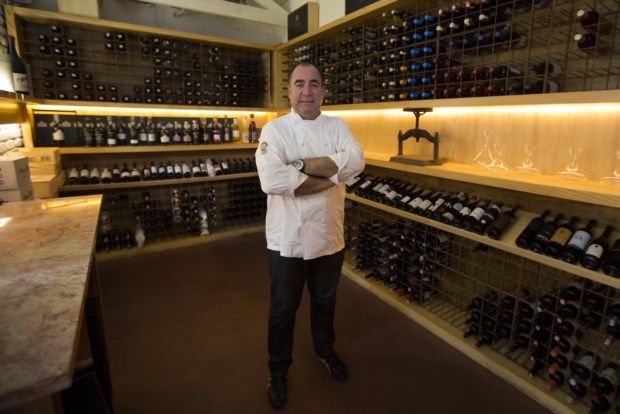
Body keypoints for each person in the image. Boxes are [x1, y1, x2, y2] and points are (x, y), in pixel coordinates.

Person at [255, 62, 365, 409]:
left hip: (328, 237)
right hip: (286, 239)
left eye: (314, 84)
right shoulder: (274, 130)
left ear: (323, 91)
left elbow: (357, 161)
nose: (307, 91)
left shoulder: (337, 126)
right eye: (300, 84)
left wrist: (299, 166)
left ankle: (324, 350)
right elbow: (272, 180)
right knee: (282, 310)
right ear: (289, 91)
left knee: (325, 302)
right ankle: (278, 371)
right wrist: (333, 175)